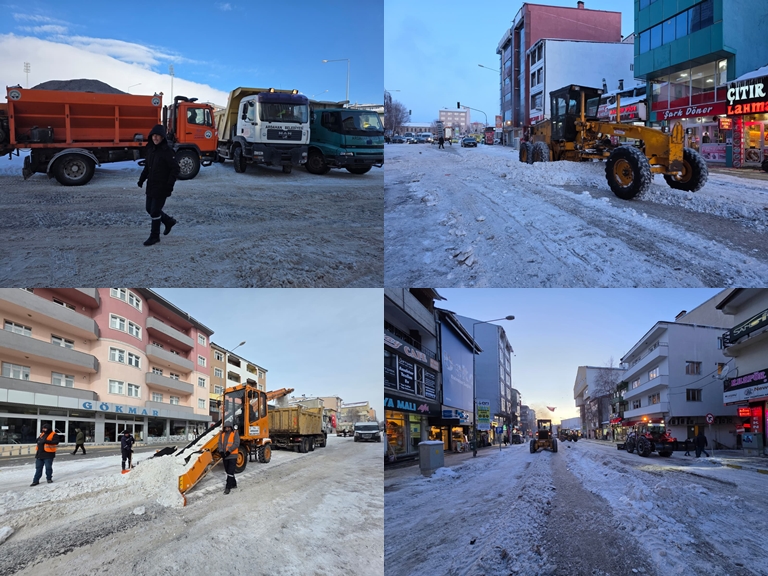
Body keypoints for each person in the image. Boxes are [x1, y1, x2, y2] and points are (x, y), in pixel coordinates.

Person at [138, 124, 180, 246]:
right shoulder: (151, 150)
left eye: (158, 136)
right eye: (153, 136)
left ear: (162, 138)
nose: (155, 138)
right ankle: (168, 221)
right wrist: (141, 180)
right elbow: (147, 167)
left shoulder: (167, 151)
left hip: (162, 186)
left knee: (155, 211)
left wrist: (169, 186)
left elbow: (175, 169)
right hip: (151, 184)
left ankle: (154, 236)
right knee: (149, 209)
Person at [218, 422, 240, 494]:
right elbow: (220, 443)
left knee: (230, 471)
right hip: (225, 456)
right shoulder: (222, 434)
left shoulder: (235, 433)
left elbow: (236, 443)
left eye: (229, 427)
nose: (227, 429)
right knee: (227, 471)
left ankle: (228, 487)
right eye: (226, 427)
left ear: (231, 427)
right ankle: (234, 484)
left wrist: (229, 451)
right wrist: (221, 451)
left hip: (232, 455)